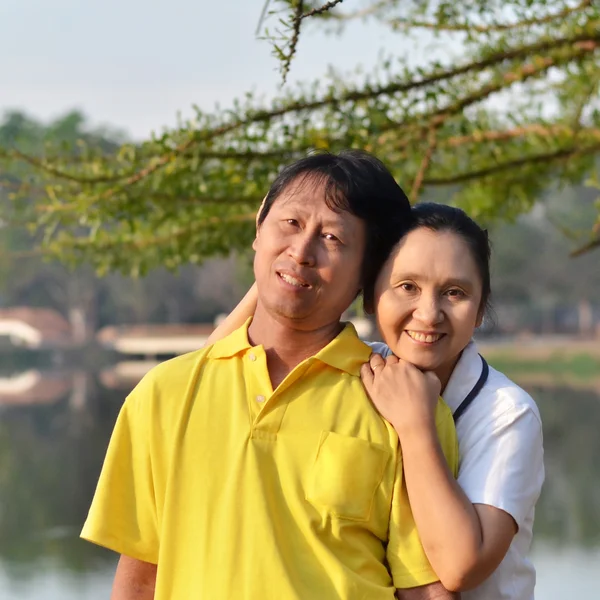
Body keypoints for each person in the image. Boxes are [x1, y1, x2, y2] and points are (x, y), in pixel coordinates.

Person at [81, 152, 460, 600]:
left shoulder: (401, 405)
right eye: (291, 223)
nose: (301, 252)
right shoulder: (164, 393)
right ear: (259, 227)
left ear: (367, 272)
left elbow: (425, 589)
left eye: (333, 238)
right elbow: (140, 579)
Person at [211, 202, 544, 599]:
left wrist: (416, 426)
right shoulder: (360, 366)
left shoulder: (506, 413)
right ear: (370, 296)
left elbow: (461, 568)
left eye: (454, 293)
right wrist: (275, 256)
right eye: (407, 287)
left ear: (479, 310)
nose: (429, 313)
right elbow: (205, 370)